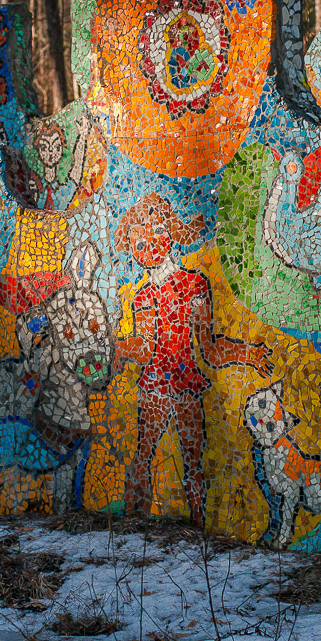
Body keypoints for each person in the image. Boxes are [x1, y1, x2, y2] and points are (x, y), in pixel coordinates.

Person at [115, 193, 271, 525]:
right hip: (156, 385)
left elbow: (210, 349)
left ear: (171, 233)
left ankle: (200, 525)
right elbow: (145, 348)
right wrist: (118, 350)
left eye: (157, 233)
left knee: (192, 461)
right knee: (144, 455)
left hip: (186, 385)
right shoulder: (142, 296)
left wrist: (249, 354)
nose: (150, 247)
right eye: (139, 244)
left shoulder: (194, 284)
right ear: (133, 252)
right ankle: (132, 521)